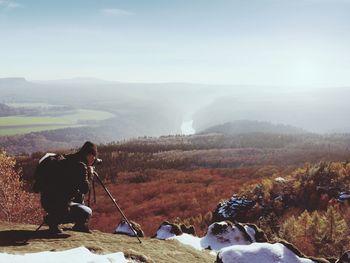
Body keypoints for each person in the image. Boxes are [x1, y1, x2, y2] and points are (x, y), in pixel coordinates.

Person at [40, 141, 97, 234]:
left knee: (75, 199)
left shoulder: (68, 159)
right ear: (90, 155)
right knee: (87, 212)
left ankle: (76, 224)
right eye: (94, 156)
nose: (94, 159)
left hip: (47, 200)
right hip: (59, 204)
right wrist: (89, 173)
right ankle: (53, 220)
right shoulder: (80, 166)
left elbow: (73, 187)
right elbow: (84, 189)